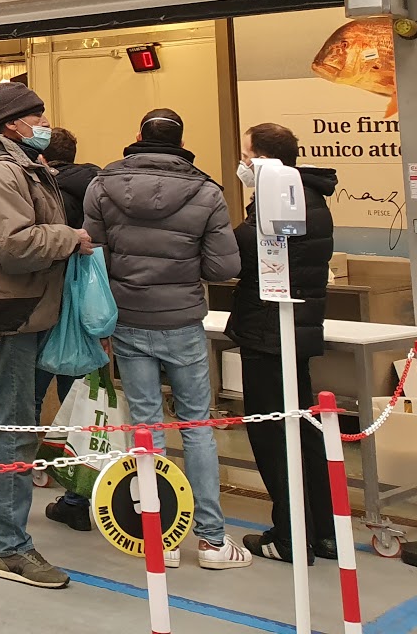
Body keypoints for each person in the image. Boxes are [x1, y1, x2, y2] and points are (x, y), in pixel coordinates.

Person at [85, 108, 249, 569]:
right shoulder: (206, 191)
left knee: (146, 427)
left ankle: (161, 537)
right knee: (196, 427)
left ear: (137, 136)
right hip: (181, 321)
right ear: (181, 141)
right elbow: (224, 269)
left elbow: (93, 256)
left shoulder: (103, 186)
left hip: (128, 319)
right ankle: (213, 542)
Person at [0, 81, 89, 589]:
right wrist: (70, 238)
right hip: (9, 314)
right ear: (12, 123)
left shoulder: (11, 167)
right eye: (37, 116)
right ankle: (11, 548)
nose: (43, 124)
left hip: (13, 310)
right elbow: (10, 243)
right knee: (12, 430)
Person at [227, 123, 338, 564]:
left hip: (268, 332)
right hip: (296, 331)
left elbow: (239, 252)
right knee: (305, 429)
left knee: (273, 434)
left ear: (266, 162)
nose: (243, 164)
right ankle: (324, 531)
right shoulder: (313, 197)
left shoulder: (279, 203)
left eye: (247, 155)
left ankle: (290, 535)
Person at [37, 126, 101, 531]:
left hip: (45, 305)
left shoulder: (45, 192)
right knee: (79, 401)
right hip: (84, 311)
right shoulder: (97, 188)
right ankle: (77, 494)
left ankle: (21, 477)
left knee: (27, 394)